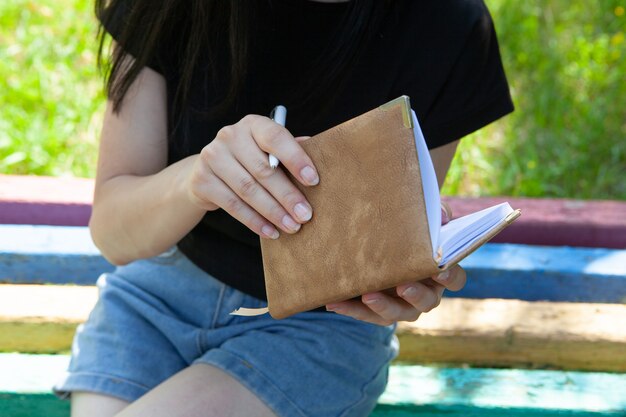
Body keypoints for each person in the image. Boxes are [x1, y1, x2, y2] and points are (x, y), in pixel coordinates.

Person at [54, 0, 513, 416]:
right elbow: (113, 233)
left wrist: (401, 282)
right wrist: (197, 178)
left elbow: (388, 263)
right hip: (153, 299)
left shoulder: (447, 24)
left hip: (315, 328)